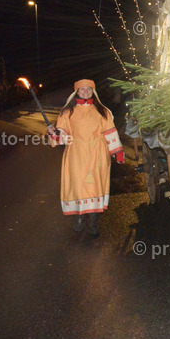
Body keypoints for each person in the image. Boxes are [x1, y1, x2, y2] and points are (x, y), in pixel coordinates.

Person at [47, 80, 124, 237]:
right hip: (76, 154)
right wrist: (53, 133)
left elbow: (110, 131)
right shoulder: (67, 112)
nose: (85, 92)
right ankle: (79, 219)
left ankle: (93, 223)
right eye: (82, 90)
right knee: (78, 186)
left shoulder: (102, 111)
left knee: (97, 187)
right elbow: (62, 136)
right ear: (76, 92)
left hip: (98, 154)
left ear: (93, 92)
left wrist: (117, 151)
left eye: (89, 89)